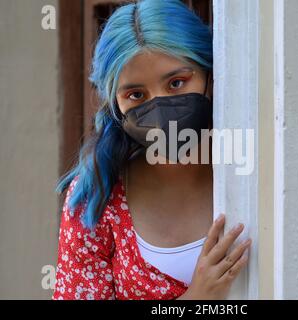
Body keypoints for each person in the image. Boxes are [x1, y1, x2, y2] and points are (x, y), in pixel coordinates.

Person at [52, 0, 251, 300]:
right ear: (115, 106)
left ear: (211, 76)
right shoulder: (95, 199)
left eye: (176, 83)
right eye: (136, 94)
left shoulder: (253, 163)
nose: (159, 108)